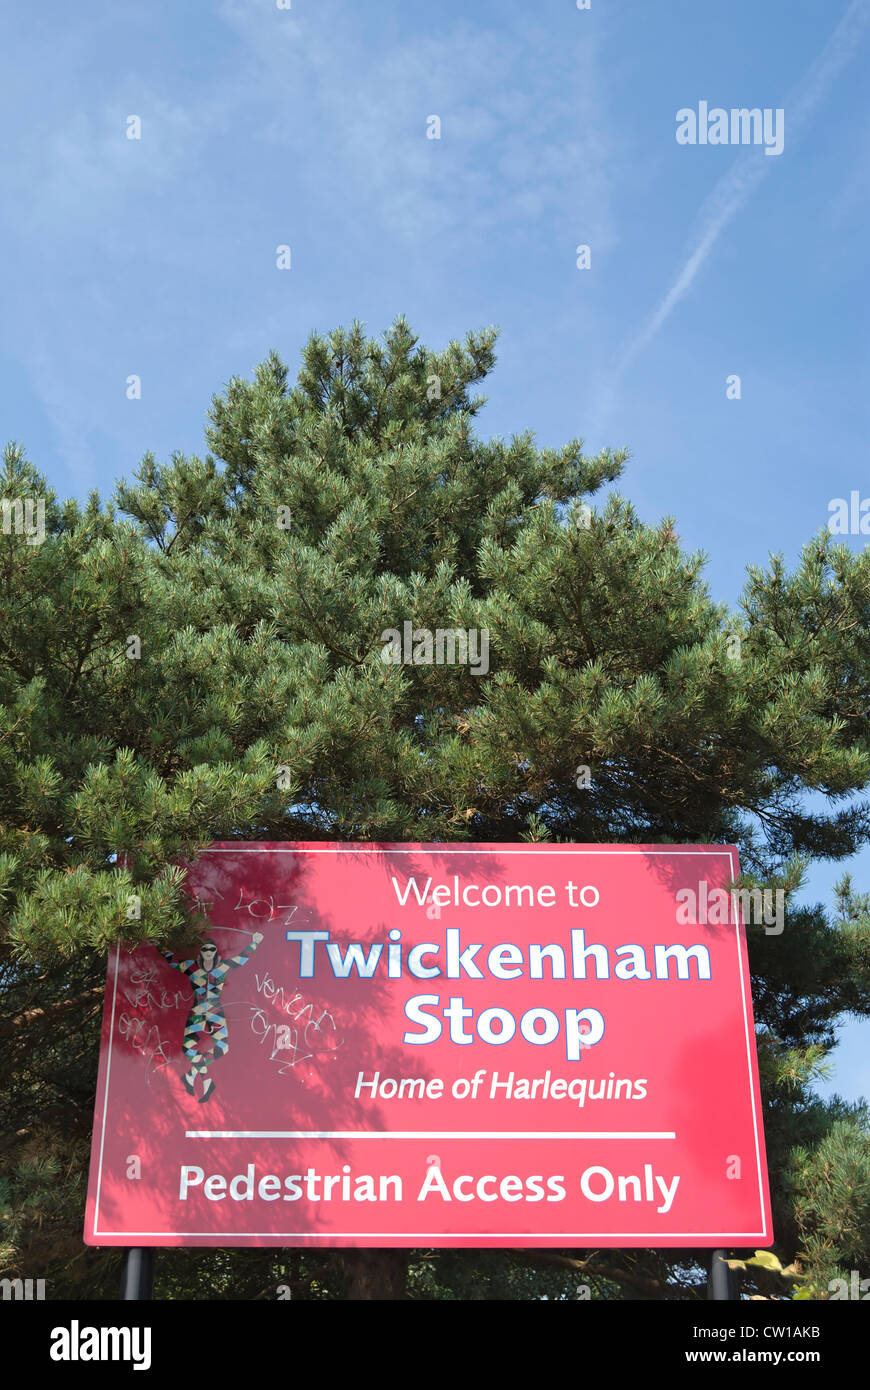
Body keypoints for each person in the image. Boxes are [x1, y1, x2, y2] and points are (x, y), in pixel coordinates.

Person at [161, 933, 263, 1102]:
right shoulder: (191, 966)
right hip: (198, 1010)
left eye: (212, 949)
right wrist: (161, 946)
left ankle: (193, 1075)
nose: (208, 951)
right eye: (205, 949)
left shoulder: (222, 967)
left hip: (215, 1010)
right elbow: (173, 962)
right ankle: (206, 1081)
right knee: (188, 1047)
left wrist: (255, 943)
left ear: (215, 952)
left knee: (222, 1047)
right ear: (200, 952)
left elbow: (241, 959)